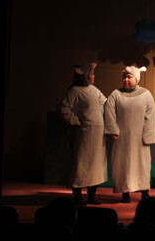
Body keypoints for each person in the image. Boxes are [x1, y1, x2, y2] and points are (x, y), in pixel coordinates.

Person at [104, 65, 155, 203]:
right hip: (122, 138)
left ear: (136, 78)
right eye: (124, 77)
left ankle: (144, 192)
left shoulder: (146, 94)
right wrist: (113, 130)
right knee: (123, 165)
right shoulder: (116, 94)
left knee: (142, 165)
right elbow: (109, 113)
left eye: (129, 77)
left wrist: (148, 135)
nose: (126, 80)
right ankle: (125, 193)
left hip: (139, 139)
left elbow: (151, 116)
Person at [59, 63, 107, 206]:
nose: (93, 76)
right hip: (84, 134)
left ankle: (91, 196)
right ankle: (78, 197)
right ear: (85, 76)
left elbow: (105, 103)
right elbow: (64, 108)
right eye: (91, 74)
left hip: (97, 134)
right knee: (81, 163)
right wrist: (75, 120)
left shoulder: (94, 90)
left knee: (95, 165)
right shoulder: (75, 91)